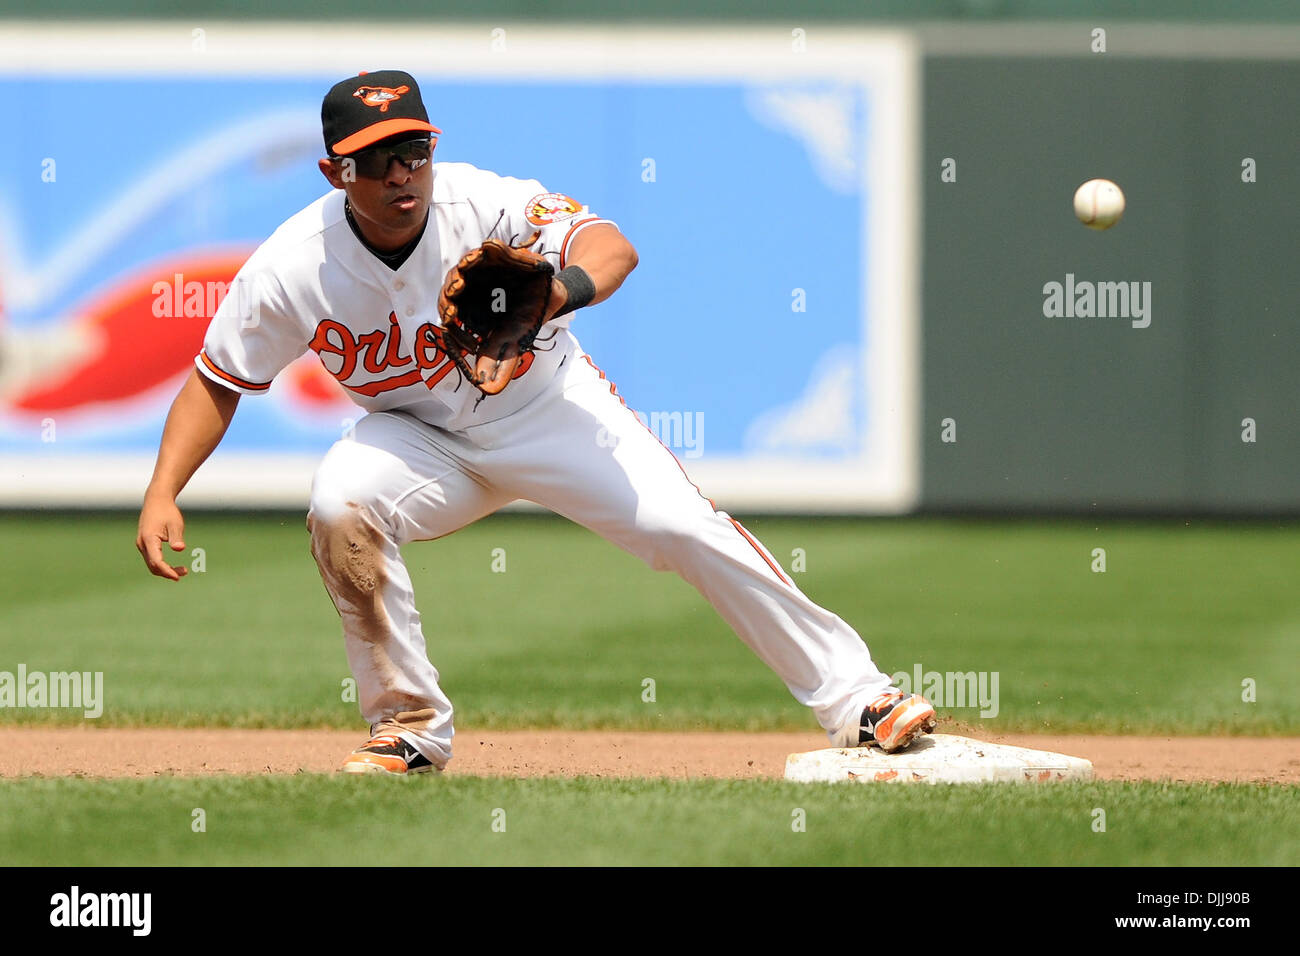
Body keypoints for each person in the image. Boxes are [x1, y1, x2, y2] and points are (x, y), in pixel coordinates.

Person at [135, 70, 935, 774]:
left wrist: (562, 290)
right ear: (333, 170)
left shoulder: (482, 201)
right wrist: (164, 490)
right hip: (418, 437)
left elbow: (611, 245)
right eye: (373, 159)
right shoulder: (290, 265)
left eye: (412, 150)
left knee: (682, 527)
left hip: (546, 406)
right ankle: (406, 728)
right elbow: (218, 381)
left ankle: (859, 699)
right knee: (341, 504)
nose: (399, 173)